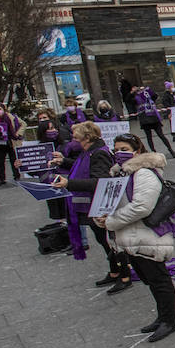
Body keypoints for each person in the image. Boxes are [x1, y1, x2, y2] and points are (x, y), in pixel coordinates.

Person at [100, 134, 175, 342]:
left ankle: (170, 321)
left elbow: (142, 207)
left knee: (159, 278)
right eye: (116, 149)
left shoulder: (143, 173)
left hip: (146, 234)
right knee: (150, 279)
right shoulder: (123, 173)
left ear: (137, 151)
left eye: (124, 148)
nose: (119, 153)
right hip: (132, 235)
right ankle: (163, 317)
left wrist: (111, 221)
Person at [51, 122, 132, 292]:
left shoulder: (98, 153)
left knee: (110, 242)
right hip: (91, 206)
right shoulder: (89, 151)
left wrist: (69, 183)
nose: (73, 141)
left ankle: (125, 275)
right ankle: (115, 271)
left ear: (87, 138)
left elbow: (100, 181)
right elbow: (81, 167)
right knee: (103, 241)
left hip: (98, 206)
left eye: (76, 137)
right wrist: (64, 161)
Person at [132, 85, 175, 157]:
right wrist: (133, 92)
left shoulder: (148, 96)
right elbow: (129, 100)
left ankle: (170, 150)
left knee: (160, 135)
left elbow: (155, 95)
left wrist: (148, 90)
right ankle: (155, 152)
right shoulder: (136, 98)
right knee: (150, 137)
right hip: (145, 119)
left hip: (153, 118)